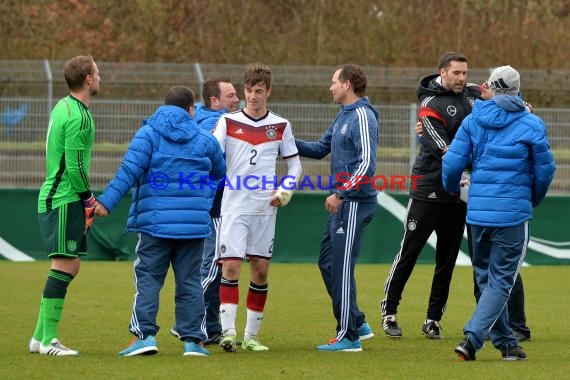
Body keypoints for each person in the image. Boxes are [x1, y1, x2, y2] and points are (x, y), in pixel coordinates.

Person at [95, 86, 226, 357]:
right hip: (193, 226)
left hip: (154, 225)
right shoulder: (205, 139)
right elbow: (220, 173)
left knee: (149, 279)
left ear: (164, 106)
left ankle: (145, 336)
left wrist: (106, 202)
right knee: (190, 282)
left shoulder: (148, 134)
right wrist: (205, 200)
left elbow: (128, 172)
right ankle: (193, 342)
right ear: (191, 110)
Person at [442, 65, 556, 360]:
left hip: (478, 212)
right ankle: (473, 339)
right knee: (502, 281)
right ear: (518, 90)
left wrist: (453, 188)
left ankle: (507, 344)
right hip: (512, 215)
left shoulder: (473, 120)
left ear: (491, 87)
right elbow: (545, 172)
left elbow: (453, 164)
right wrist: (532, 198)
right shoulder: (531, 123)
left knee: (485, 278)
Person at [380, 52, 481, 340]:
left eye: (465, 73)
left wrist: (521, 103)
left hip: (456, 193)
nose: (462, 78)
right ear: (442, 72)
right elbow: (445, 149)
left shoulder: (473, 95)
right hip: (427, 189)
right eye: (457, 73)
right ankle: (389, 311)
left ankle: (433, 319)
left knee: (447, 259)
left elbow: (502, 95)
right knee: (408, 253)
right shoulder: (430, 104)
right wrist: (479, 160)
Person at [213, 63, 302, 352]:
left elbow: (295, 164)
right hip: (234, 207)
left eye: (258, 91)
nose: (252, 97)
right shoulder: (227, 122)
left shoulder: (281, 125)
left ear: (268, 92)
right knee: (231, 266)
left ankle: (251, 337)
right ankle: (228, 333)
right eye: (249, 91)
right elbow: (211, 155)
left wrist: (285, 190)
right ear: (244, 90)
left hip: (265, 208)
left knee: (261, 270)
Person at [295, 64, 379, 352]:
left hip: (354, 202)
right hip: (344, 203)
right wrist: (281, 139)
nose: (330, 87)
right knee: (328, 262)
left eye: (333, 82)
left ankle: (349, 336)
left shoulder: (362, 116)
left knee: (342, 268)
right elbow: (320, 148)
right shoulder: (343, 115)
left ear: (347, 84)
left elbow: (366, 163)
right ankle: (356, 320)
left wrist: (342, 193)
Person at [28, 55, 100, 356]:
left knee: (70, 264)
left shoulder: (63, 105)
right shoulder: (79, 116)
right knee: (65, 264)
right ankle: (49, 341)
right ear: (87, 79)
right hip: (64, 199)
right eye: (96, 72)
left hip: (57, 196)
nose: (99, 77)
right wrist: (89, 200)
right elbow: (75, 165)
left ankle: (38, 337)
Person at [170, 77, 239, 345]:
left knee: (214, 268)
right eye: (231, 96)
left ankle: (211, 327)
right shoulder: (217, 124)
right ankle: (184, 322)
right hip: (216, 206)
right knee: (212, 266)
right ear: (214, 101)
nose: (237, 100)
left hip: (200, 205)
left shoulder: (196, 117)